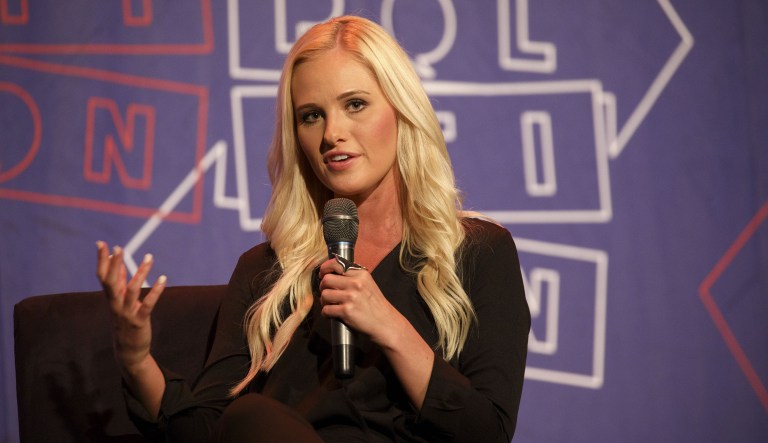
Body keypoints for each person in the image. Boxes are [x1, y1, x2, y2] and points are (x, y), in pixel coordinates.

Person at [97, 15, 530, 443]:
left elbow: (486, 432)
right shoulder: (266, 269)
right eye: (310, 116)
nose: (332, 134)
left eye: (355, 105)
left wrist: (389, 326)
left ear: (402, 110)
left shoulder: (478, 252)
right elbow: (210, 431)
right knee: (250, 417)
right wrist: (137, 360)